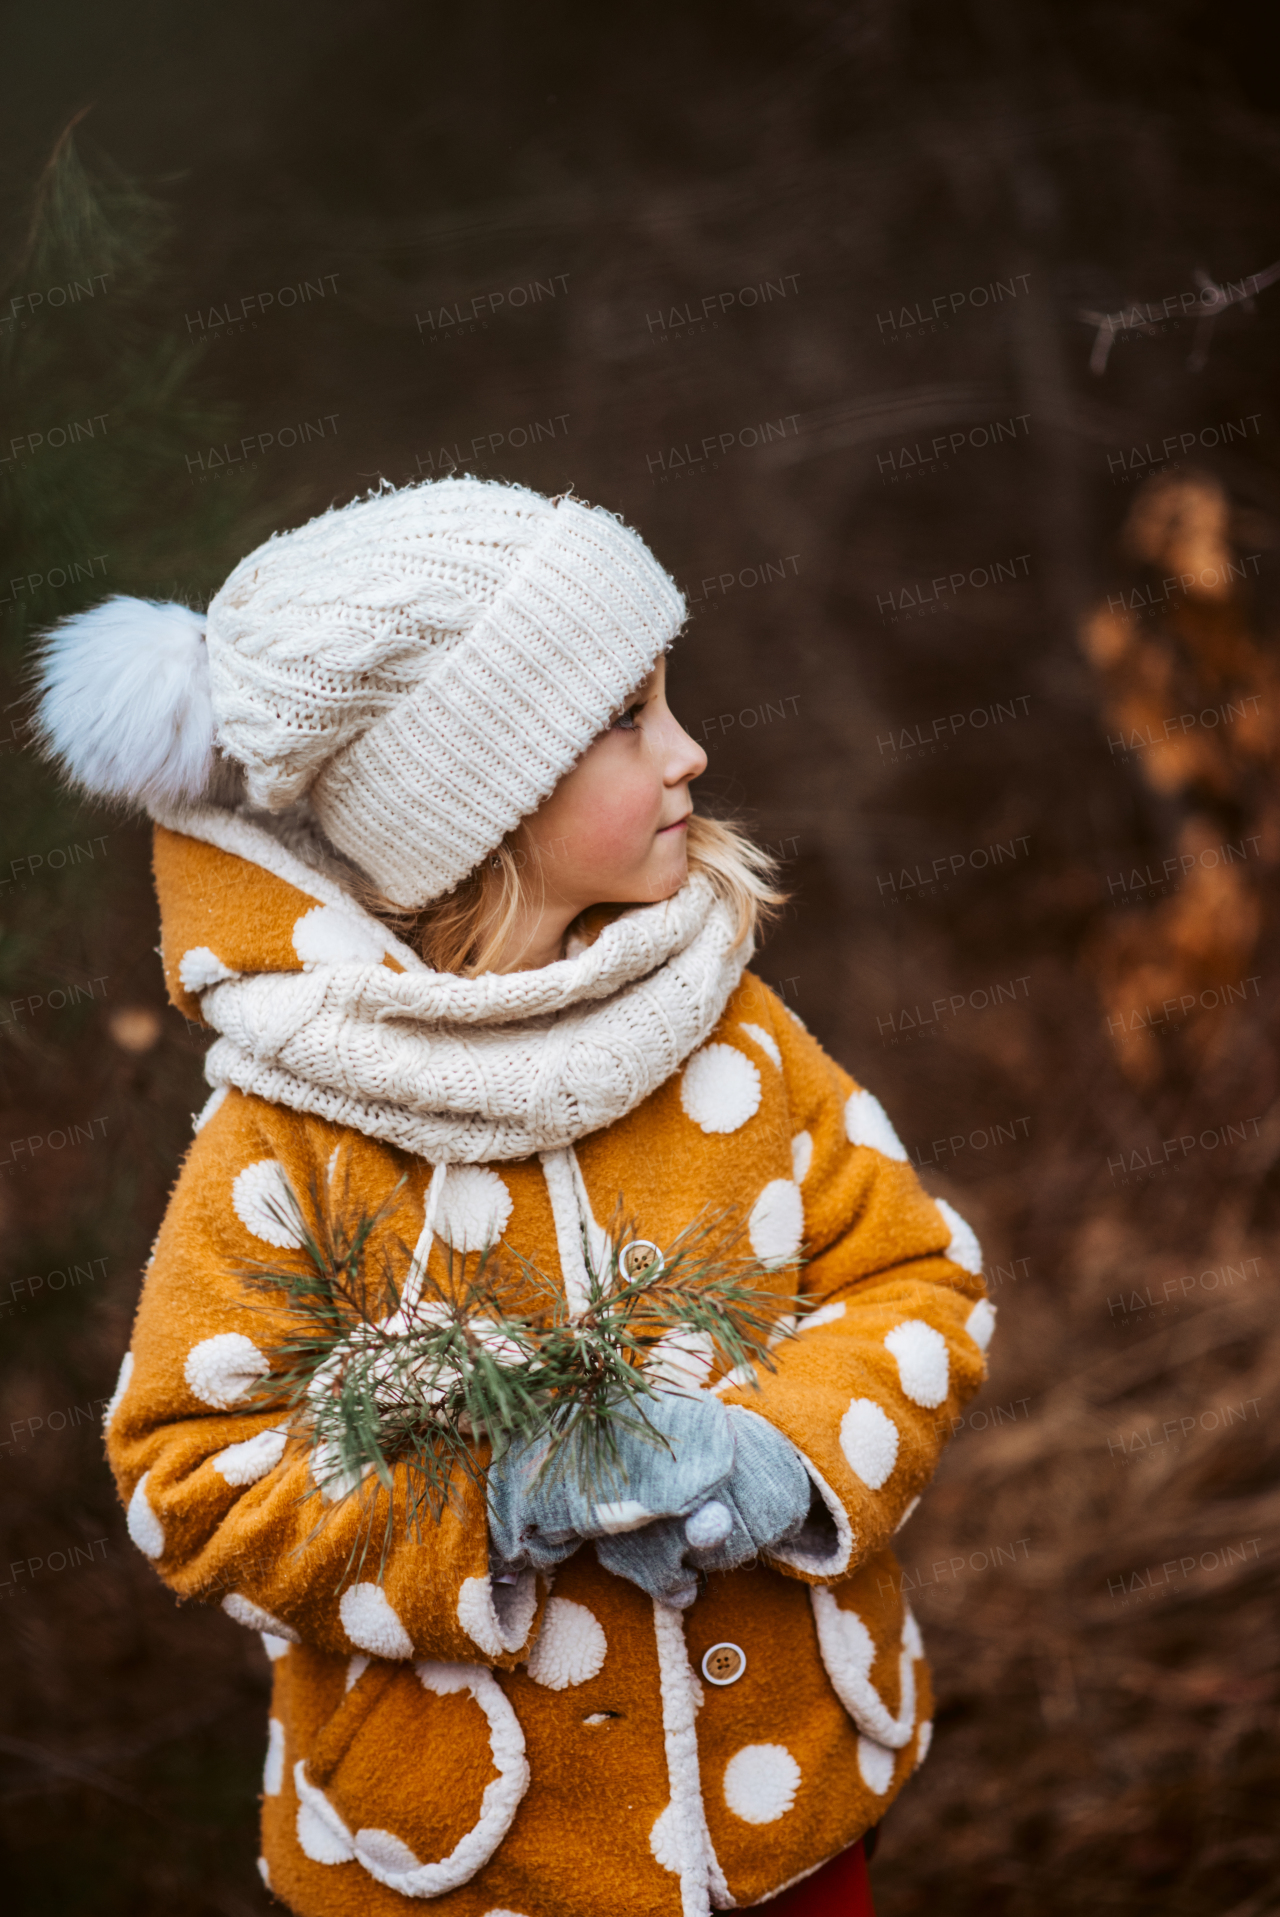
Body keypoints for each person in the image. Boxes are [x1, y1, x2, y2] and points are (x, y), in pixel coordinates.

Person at [36, 477, 994, 1917]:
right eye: (629, 716)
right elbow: (189, 1475)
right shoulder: (289, 1132)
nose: (690, 749)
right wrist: (486, 1505)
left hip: (782, 1817)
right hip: (482, 1866)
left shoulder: (728, 1028)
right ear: (478, 791)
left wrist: (782, 1455)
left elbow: (916, 1279)